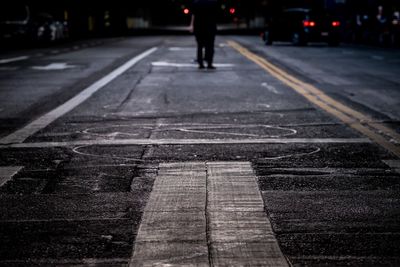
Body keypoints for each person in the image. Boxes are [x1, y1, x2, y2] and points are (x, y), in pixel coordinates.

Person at [190, 0, 218, 69]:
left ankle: (200, 64)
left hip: (199, 27)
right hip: (210, 27)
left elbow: (193, 15)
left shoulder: (196, 3)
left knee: (200, 46)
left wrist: (191, 25)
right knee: (210, 46)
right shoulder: (213, 2)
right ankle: (209, 63)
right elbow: (216, 15)